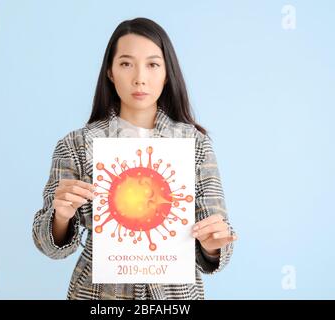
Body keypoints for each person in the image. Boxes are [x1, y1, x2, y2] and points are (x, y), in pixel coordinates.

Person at [32, 17, 237, 300]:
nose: (140, 77)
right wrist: (61, 217)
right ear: (110, 72)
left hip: (176, 298)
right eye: (126, 63)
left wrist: (214, 243)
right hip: (98, 296)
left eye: (153, 64)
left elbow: (217, 248)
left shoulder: (195, 145)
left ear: (167, 73)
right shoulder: (76, 145)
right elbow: (48, 245)